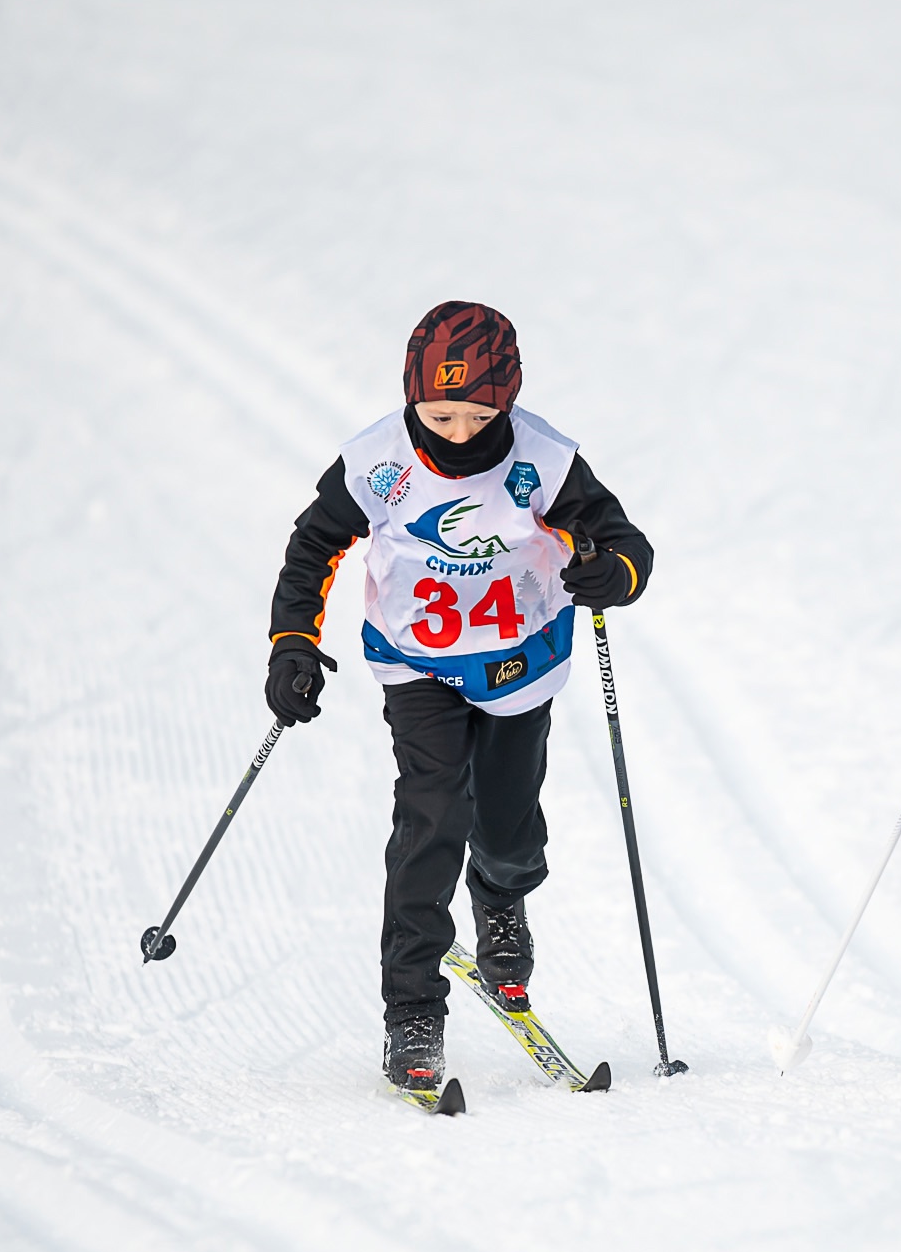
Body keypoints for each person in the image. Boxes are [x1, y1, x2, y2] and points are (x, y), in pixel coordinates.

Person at [267, 300, 653, 1097]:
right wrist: (293, 643)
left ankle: (501, 901)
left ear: (506, 402)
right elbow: (312, 547)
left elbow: (626, 544)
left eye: (479, 414)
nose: (457, 430)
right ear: (414, 397)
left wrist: (611, 573)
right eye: (439, 413)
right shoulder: (379, 462)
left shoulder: (542, 461)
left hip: (520, 665)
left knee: (509, 825)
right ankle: (412, 1011)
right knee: (431, 817)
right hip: (421, 670)